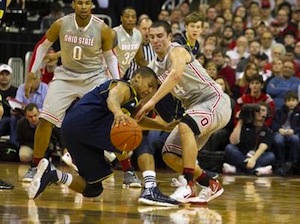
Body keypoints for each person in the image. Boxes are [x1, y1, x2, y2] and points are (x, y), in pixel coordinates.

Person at [28, 67, 179, 207]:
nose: (151, 90)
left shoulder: (132, 100)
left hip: (72, 131)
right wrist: (118, 112)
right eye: (150, 85)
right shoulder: (125, 87)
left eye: (154, 88)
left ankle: (53, 174)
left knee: (93, 188)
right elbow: (113, 98)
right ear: (137, 78)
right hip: (86, 122)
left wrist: (164, 127)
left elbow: (138, 120)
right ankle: (150, 188)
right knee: (137, 139)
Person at [22, 0, 119, 182]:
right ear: (73, 4)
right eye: (80, 3)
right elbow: (42, 46)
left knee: (110, 120)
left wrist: (118, 83)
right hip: (66, 75)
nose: (84, 7)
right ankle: (35, 166)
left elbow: (110, 58)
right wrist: (31, 73)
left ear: (92, 5)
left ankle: (127, 170)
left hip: (93, 77)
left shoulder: (103, 29)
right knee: (45, 120)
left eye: (87, 3)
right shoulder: (61, 23)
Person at [136, 20, 231, 204]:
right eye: (152, 37)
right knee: (169, 153)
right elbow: (146, 97)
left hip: (214, 100)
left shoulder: (177, 50)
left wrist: (152, 102)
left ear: (169, 37)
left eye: (160, 36)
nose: (156, 40)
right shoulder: (154, 67)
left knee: (186, 125)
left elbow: (176, 75)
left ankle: (189, 186)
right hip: (194, 109)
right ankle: (210, 183)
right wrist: (131, 112)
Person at [223, 102, 275, 176]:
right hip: (242, 154)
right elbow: (233, 141)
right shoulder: (245, 125)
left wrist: (253, 159)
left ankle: (237, 169)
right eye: (257, 110)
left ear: (267, 114)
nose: (260, 112)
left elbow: (263, 147)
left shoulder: (267, 130)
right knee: (229, 148)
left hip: (257, 157)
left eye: (263, 110)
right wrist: (240, 120)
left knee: (271, 156)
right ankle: (256, 170)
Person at [113, 7, 147, 78]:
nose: (130, 19)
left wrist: (153, 69)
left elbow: (140, 60)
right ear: (121, 18)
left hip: (121, 74)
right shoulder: (114, 33)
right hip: (108, 73)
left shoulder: (138, 34)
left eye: (133, 17)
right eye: (127, 17)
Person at [271, 91, 300, 176]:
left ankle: (291, 163)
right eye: (288, 100)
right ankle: (280, 162)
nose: (291, 103)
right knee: (278, 140)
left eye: (293, 100)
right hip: (281, 131)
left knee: (295, 139)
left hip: (293, 132)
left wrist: (294, 130)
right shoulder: (279, 111)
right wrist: (279, 129)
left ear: (297, 101)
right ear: (285, 102)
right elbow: (274, 123)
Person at [0, 64, 18, 141]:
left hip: (11, 118)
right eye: (2, 74)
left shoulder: (16, 91)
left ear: (11, 76)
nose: (4, 77)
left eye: (7, 74)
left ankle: (13, 147)